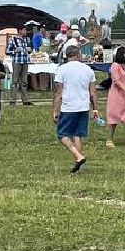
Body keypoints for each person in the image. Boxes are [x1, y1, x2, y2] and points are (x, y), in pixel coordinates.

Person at [52, 45, 97, 174]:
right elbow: (93, 92)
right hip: (83, 106)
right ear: (78, 55)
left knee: (62, 134)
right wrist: (95, 109)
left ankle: (78, 156)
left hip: (69, 106)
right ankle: (79, 162)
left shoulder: (62, 70)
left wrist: (55, 110)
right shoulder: (88, 69)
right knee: (77, 134)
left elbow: (58, 93)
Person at [7, 31, 33, 105]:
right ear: (20, 31)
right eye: (24, 30)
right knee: (15, 81)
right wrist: (15, 51)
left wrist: (29, 50)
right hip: (17, 61)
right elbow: (7, 51)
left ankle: (25, 100)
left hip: (25, 61)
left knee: (24, 81)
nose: (25, 32)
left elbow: (29, 50)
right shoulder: (13, 40)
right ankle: (12, 100)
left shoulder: (27, 39)